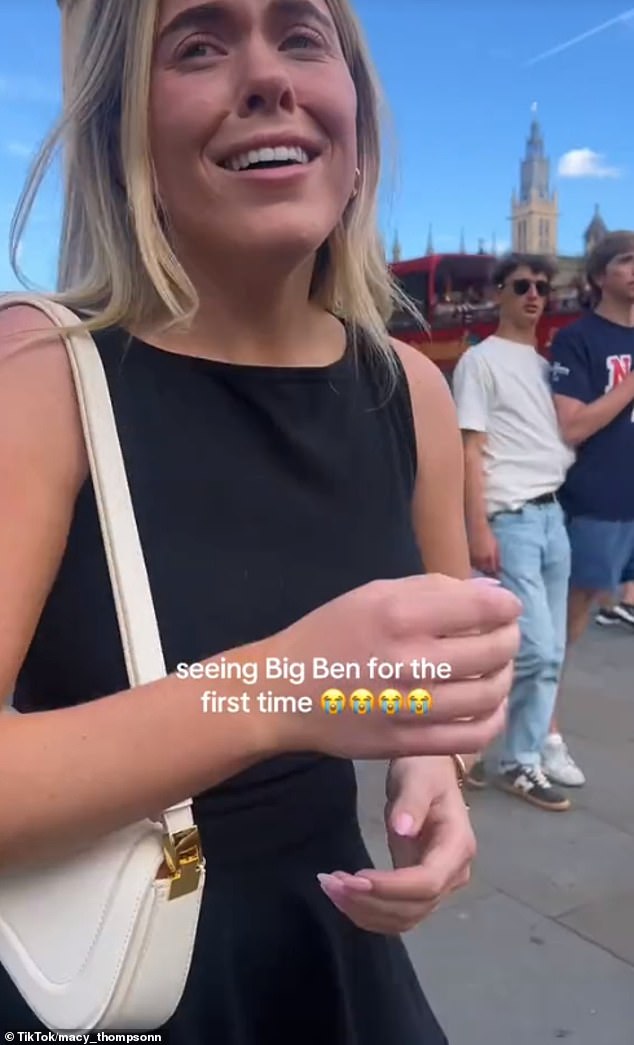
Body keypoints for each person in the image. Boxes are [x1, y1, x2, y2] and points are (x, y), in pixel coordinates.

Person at [0, 1, 521, 1041]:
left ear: (356, 124)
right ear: (121, 137)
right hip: (114, 976)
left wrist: (429, 775)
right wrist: (280, 688)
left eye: (300, 37)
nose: (266, 76)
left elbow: (450, 672)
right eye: (197, 44)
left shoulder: (406, 388)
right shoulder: (39, 373)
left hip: (328, 958)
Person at [452, 253, 576, 811]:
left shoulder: (548, 365)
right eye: (522, 285)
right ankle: (517, 761)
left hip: (555, 515)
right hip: (513, 517)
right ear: (499, 293)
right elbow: (469, 450)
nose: (533, 295)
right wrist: (477, 526)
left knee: (535, 651)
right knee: (537, 652)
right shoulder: (480, 362)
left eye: (542, 288)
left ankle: (469, 748)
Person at [547, 233, 634, 777]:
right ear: (600, 276)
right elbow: (573, 426)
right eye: (628, 262)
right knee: (568, 625)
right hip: (598, 501)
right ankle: (545, 731)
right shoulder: (579, 340)